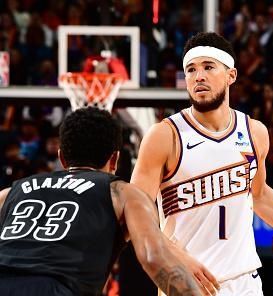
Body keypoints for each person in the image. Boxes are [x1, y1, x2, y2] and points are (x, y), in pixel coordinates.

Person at [130, 32, 273, 295]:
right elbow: (136, 214)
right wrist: (177, 257)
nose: (198, 76)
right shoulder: (164, 135)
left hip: (245, 282)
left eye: (208, 67)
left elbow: (259, 194)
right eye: (191, 70)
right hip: (186, 283)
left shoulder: (255, 132)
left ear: (231, 75)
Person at [0, 107, 205, 296]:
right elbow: (154, 258)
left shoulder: (10, 193)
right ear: (115, 160)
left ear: (62, 159)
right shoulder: (122, 193)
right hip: (58, 288)